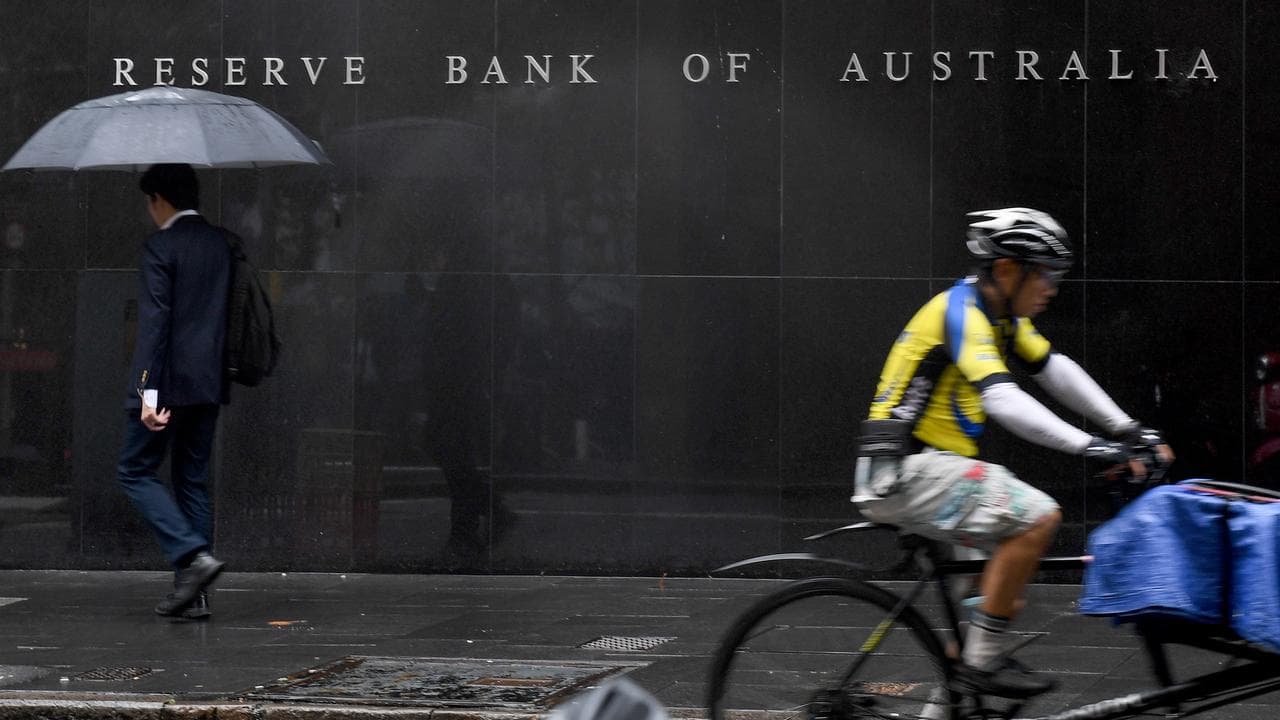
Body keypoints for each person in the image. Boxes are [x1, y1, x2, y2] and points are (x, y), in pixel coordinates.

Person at [852, 207, 1173, 699]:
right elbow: (1002, 398)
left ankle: (964, 680)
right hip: (904, 471)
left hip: (927, 472)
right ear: (1006, 270)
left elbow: (1055, 369)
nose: (1052, 288)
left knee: (998, 601)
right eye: (1046, 274)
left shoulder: (999, 317)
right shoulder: (961, 312)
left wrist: (1127, 429)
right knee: (1038, 518)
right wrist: (1090, 446)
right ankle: (979, 666)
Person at [116, 163, 230, 619]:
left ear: (158, 199)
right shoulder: (221, 244)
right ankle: (195, 595)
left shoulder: (160, 247)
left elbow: (154, 326)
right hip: (208, 382)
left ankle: (191, 556)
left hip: (165, 383)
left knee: (134, 471)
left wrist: (147, 393)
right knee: (191, 480)